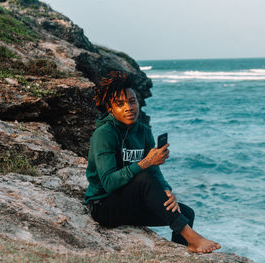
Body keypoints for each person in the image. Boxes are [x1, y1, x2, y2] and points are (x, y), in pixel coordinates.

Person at [85, 71, 221, 253]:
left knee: (185, 213)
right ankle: (194, 238)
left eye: (132, 101)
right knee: (144, 176)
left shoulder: (143, 131)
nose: (128, 107)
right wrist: (145, 163)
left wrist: (167, 191)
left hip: (130, 203)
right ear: (110, 108)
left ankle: (182, 255)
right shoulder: (104, 134)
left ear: (138, 102)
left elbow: (154, 170)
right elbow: (109, 183)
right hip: (104, 207)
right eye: (120, 104)